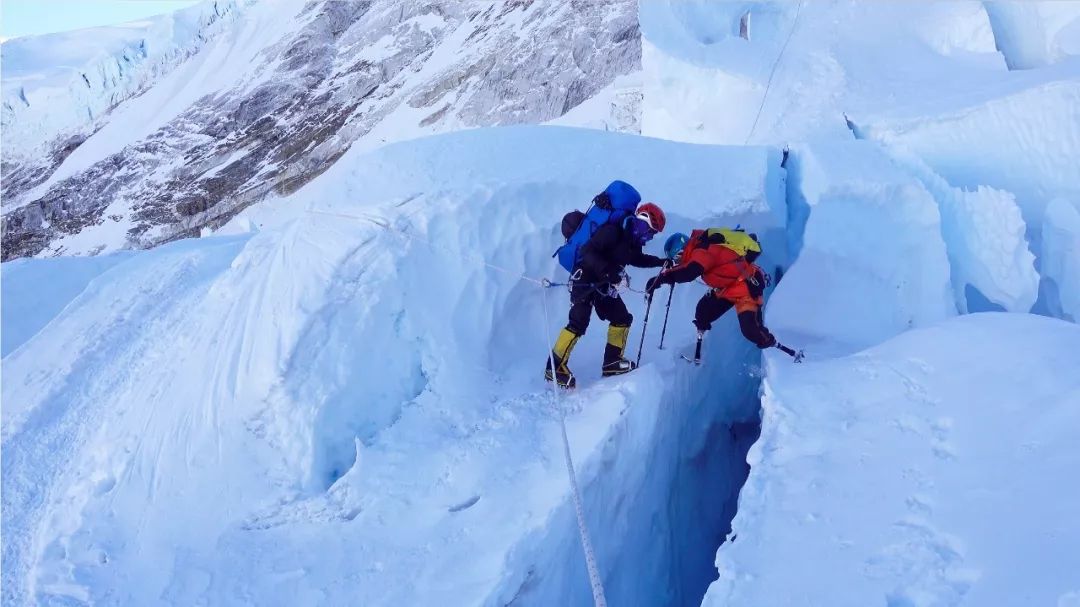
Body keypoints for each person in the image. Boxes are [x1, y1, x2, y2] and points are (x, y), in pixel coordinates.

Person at [545, 202, 668, 388]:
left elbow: (636, 258)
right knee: (578, 322)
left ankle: (612, 362)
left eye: (653, 234)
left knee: (622, 318)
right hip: (584, 277)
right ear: (641, 222)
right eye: (650, 231)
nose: (650, 237)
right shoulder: (612, 231)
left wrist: (660, 262)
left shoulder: (631, 241)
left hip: (603, 283)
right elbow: (587, 252)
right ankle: (553, 368)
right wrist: (610, 272)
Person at [646, 228, 777, 350]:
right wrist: (664, 276)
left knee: (751, 330)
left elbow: (690, 271)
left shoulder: (702, 250)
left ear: (681, 251)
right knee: (702, 312)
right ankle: (699, 348)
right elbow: (688, 267)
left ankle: (774, 346)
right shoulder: (699, 247)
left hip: (745, 286)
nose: (678, 262)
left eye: (677, 259)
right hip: (726, 288)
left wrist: (663, 278)